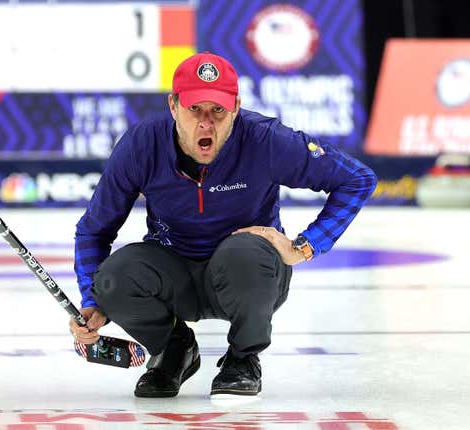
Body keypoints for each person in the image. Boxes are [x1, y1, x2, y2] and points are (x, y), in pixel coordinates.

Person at [69, 52, 377, 398]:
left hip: (249, 274)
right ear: (173, 106)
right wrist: (90, 300)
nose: (206, 122)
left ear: (237, 107)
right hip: (174, 275)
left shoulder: (267, 139)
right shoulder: (142, 145)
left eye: (218, 110)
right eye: (194, 109)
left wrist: (305, 246)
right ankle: (174, 349)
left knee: (244, 252)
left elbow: (357, 179)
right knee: (112, 278)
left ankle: (243, 359)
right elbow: (94, 230)